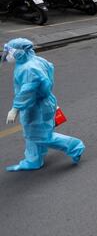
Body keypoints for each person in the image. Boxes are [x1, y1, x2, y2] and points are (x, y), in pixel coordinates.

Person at [3, 38, 85, 172]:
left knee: (41, 135)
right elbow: (49, 70)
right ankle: (33, 160)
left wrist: (15, 109)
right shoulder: (35, 61)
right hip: (41, 103)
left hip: (37, 106)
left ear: (20, 52)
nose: (8, 55)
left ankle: (75, 146)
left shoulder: (29, 68)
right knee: (31, 134)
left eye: (10, 51)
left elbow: (27, 91)